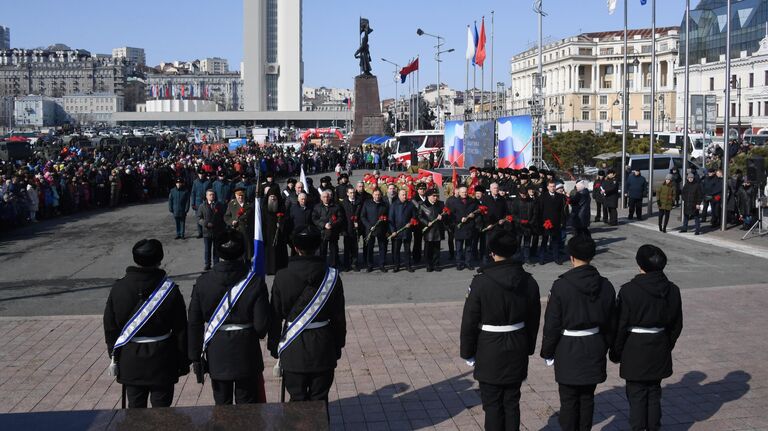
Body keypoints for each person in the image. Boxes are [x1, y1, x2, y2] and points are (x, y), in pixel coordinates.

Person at [459, 230, 541, 431]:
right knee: (512, 402)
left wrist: (467, 351)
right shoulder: (528, 280)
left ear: (492, 252)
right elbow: (534, 319)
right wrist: (528, 347)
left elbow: (469, 320)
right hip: (517, 343)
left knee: (493, 404)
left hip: (489, 346)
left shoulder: (481, 281)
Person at [541, 235, 617, 431]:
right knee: (587, 398)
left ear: (572, 257)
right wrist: (605, 345)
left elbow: (552, 324)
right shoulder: (606, 285)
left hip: (568, 348)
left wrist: (547, 352)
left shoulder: (561, 286)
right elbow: (611, 322)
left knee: (568, 401)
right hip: (594, 345)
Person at [103, 239, 189, 408]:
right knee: (162, 413)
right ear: (160, 258)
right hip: (162, 358)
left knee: (135, 413)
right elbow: (181, 329)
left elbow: (110, 327)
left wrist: (114, 355)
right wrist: (182, 361)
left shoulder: (119, 288)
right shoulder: (170, 289)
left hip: (130, 358)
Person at [187, 232, 271, 405]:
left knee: (222, 405)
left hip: (217, 350)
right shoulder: (254, 282)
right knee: (247, 405)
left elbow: (194, 323)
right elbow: (261, 327)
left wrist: (195, 356)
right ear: (241, 253)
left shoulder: (203, 282)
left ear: (217, 253)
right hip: (246, 350)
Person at [268, 226, 346, 408]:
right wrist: (338, 344)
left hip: (292, 347)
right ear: (318, 246)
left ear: (295, 247)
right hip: (323, 346)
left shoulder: (282, 276)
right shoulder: (332, 276)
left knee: (297, 402)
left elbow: (274, 316)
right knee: (320, 401)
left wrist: (274, 345)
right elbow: (338, 317)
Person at [610, 245, 683, 431]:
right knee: (654, 393)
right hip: (659, 346)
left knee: (636, 396)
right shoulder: (672, 290)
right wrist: (667, 344)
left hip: (635, 348)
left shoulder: (629, 291)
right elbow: (677, 325)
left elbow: (620, 326)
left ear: (639, 264)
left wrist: (616, 352)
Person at [312, 190, 345, 268]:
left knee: (333, 250)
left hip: (333, 232)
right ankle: (322, 266)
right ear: (321, 198)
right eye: (324, 197)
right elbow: (314, 219)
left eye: (327, 197)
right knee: (322, 251)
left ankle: (333, 266)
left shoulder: (336, 206)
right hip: (322, 232)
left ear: (329, 197)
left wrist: (332, 224)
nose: (326, 198)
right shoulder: (317, 207)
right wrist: (324, 225)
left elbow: (340, 218)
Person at [449, 185, 479, 270]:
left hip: (469, 227)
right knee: (459, 248)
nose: (464, 193)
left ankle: (468, 263)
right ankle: (459, 263)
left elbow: (478, 212)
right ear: (459, 193)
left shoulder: (472, 201)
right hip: (459, 227)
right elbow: (451, 215)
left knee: (468, 248)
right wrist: (459, 219)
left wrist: (474, 215)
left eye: (465, 192)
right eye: (462, 192)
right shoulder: (454, 202)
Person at [261, 187, 289, 274]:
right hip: (268, 234)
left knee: (279, 251)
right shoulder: (264, 207)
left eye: (274, 197)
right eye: (271, 196)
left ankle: (280, 268)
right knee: (269, 252)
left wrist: (281, 223)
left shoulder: (281, 206)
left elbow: (286, 218)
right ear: (268, 197)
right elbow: (262, 222)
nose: (273, 198)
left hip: (279, 233)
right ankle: (269, 269)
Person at [538, 181, 567, 265]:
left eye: (554, 186)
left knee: (555, 242)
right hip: (546, 223)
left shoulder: (560, 196)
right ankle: (542, 258)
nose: (552, 188)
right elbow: (540, 210)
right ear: (547, 187)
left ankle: (556, 258)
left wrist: (562, 221)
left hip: (556, 222)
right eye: (551, 186)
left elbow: (562, 210)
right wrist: (541, 222)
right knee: (544, 241)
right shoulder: (543, 196)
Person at [389, 189, 417, 273]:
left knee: (407, 250)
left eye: (405, 194)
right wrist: (393, 231)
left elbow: (414, 216)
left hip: (406, 230)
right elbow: (391, 219)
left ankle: (408, 265)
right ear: (399, 196)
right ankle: (396, 266)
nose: (405, 196)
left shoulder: (410, 205)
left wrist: (411, 223)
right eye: (403, 195)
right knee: (396, 250)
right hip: (397, 231)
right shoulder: (394, 205)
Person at [361, 188, 390, 272]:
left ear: (381, 195)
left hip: (381, 229)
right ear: (372, 195)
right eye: (375, 194)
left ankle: (382, 264)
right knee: (369, 248)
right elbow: (363, 216)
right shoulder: (367, 203)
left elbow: (388, 218)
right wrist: (369, 226)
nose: (377, 196)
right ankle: (370, 265)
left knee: (382, 248)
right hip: (370, 230)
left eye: (378, 195)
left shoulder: (385, 204)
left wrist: (388, 230)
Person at [198, 189, 227, 271]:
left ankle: (216, 264)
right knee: (207, 249)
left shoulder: (219, 205)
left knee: (216, 249)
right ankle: (207, 264)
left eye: (213, 195)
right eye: (210, 195)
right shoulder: (202, 206)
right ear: (206, 196)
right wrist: (206, 224)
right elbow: (199, 218)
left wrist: (223, 228)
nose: (212, 196)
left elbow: (223, 217)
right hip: (207, 232)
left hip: (217, 231)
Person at [418, 189, 445, 272]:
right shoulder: (423, 205)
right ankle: (429, 265)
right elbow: (419, 217)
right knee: (428, 249)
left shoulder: (440, 204)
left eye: (436, 195)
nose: (435, 197)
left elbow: (446, 214)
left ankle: (436, 264)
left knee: (437, 249)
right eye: (433, 196)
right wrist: (426, 223)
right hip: (429, 230)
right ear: (428, 196)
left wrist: (442, 216)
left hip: (438, 229)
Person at [224, 188, 255, 262]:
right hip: (236, 230)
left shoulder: (249, 204)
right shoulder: (232, 204)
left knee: (247, 251)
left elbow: (253, 217)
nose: (240, 197)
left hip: (247, 230)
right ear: (235, 195)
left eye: (242, 196)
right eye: (238, 196)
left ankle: (248, 266)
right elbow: (226, 216)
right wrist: (231, 222)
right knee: (237, 250)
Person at [341, 186, 363, 271]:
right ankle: (346, 264)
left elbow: (362, 214)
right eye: (350, 193)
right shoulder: (344, 203)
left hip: (356, 228)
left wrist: (359, 223)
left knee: (355, 247)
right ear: (347, 193)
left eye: (353, 192)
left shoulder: (359, 202)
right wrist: (343, 230)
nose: (352, 194)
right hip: (347, 228)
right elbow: (342, 216)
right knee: (347, 247)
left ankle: (354, 263)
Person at [191, 171, 211, 238]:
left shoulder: (207, 182)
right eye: (200, 174)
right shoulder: (195, 182)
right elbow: (193, 193)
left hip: (206, 201)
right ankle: (200, 233)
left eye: (202, 174)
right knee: (198, 218)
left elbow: (211, 192)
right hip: (198, 202)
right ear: (198, 174)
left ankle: (205, 231)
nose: (201, 175)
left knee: (206, 217)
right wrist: (193, 203)